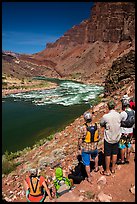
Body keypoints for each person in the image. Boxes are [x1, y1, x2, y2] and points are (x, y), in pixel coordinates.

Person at [100, 100, 121, 175]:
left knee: (108, 154)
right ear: (115, 106)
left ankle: (107, 170)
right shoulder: (119, 115)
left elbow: (101, 124)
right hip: (117, 136)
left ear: (108, 107)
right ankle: (113, 168)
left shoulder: (106, 116)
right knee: (115, 153)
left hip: (108, 137)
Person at [78, 111, 100, 183]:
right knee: (96, 155)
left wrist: (79, 147)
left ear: (85, 119)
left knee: (87, 163)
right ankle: (96, 167)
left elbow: (80, 139)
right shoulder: (97, 125)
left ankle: (89, 177)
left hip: (86, 148)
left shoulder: (83, 128)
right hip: (94, 146)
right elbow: (98, 135)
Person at [117, 99, 135, 164]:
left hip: (124, 131)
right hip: (131, 131)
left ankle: (122, 160)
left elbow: (118, 120)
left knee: (122, 145)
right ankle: (127, 159)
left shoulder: (123, 113)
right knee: (128, 144)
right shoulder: (133, 112)